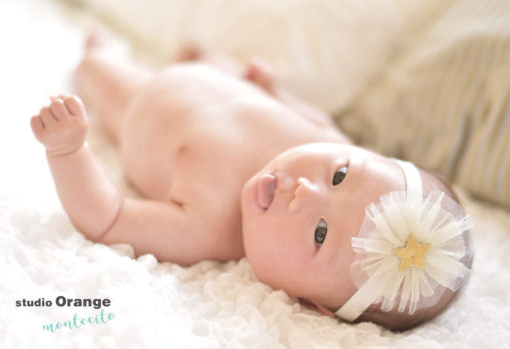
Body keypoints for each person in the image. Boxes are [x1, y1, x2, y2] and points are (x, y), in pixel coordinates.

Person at [30, 33, 472, 331]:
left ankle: (104, 55)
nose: (307, 191)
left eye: (320, 234)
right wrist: (270, 90)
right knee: (217, 64)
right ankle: (189, 63)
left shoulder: (207, 228)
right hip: (217, 84)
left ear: (310, 304)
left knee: (98, 69)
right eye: (340, 174)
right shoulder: (326, 139)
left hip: (139, 106)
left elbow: (108, 217)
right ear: (363, 155)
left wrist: (69, 151)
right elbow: (310, 114)